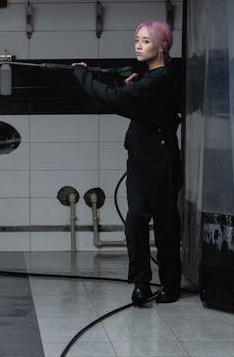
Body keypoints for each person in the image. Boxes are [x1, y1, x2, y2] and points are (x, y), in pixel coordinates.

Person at [72, 21, 182, 305]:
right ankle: (141, 283)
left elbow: (116, 100)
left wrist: (81, 75)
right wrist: (124, 86)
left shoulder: (161, 78)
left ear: (162, 46)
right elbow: (132, 98)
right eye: (137, 40)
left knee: (165, 223)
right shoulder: (147, 79)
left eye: (146, 41)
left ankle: (170, 284)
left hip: (161, 160)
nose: (138, 45)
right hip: (139, 162)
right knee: (135, 220)